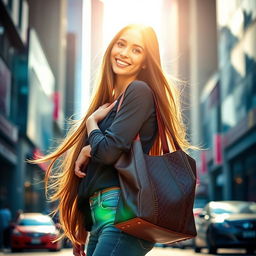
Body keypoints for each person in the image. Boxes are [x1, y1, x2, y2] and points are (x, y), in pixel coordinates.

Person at [27, 24, 198, 256]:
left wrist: (90, 127)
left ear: (146, 61)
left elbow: (108, 153)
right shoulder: (111, 104)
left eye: (137, 50)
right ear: (111, 48)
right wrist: (83, 226)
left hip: (122, 216)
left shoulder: (139, 91)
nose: (125, 53)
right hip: (102, 219)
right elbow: (95, 175)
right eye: (121, 44)